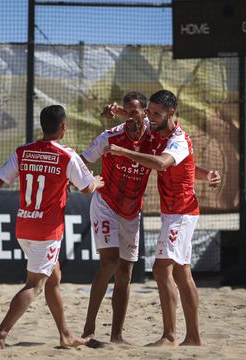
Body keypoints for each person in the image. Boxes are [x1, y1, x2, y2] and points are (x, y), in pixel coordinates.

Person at [0, 105, 104, 350]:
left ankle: (65, 335)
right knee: (34, 285)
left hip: (24, 225)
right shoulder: (66, 155)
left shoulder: (24, 151)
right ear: (63, 127)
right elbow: (86, 189)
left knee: (54, 278)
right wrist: (95, 181)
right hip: (47, 230)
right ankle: (0, 333)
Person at [108, 89, 220, 346]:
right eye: (150, 112)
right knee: (182, 274)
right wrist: (117, 111)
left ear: (172, 112)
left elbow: (162, 163)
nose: (150, 117)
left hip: (181, 213)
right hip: (174, 212)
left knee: (160, 270)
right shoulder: (158, 127)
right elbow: (188, 165)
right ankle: (193, 337)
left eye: (156, 113)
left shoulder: (177, 140)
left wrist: (125, 153)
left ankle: (170, 336)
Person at [80, 91, 157, 343]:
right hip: (106, 204)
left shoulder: (154, 138)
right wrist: (89, 181)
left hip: (132, 210)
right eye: (127, 111)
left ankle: (117, 335)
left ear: (144, 113)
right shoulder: (110, 136)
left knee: (126, 273)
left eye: (135, 111)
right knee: (110, 262)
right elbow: (81, 162)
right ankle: (89, 330)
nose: (130, 117)